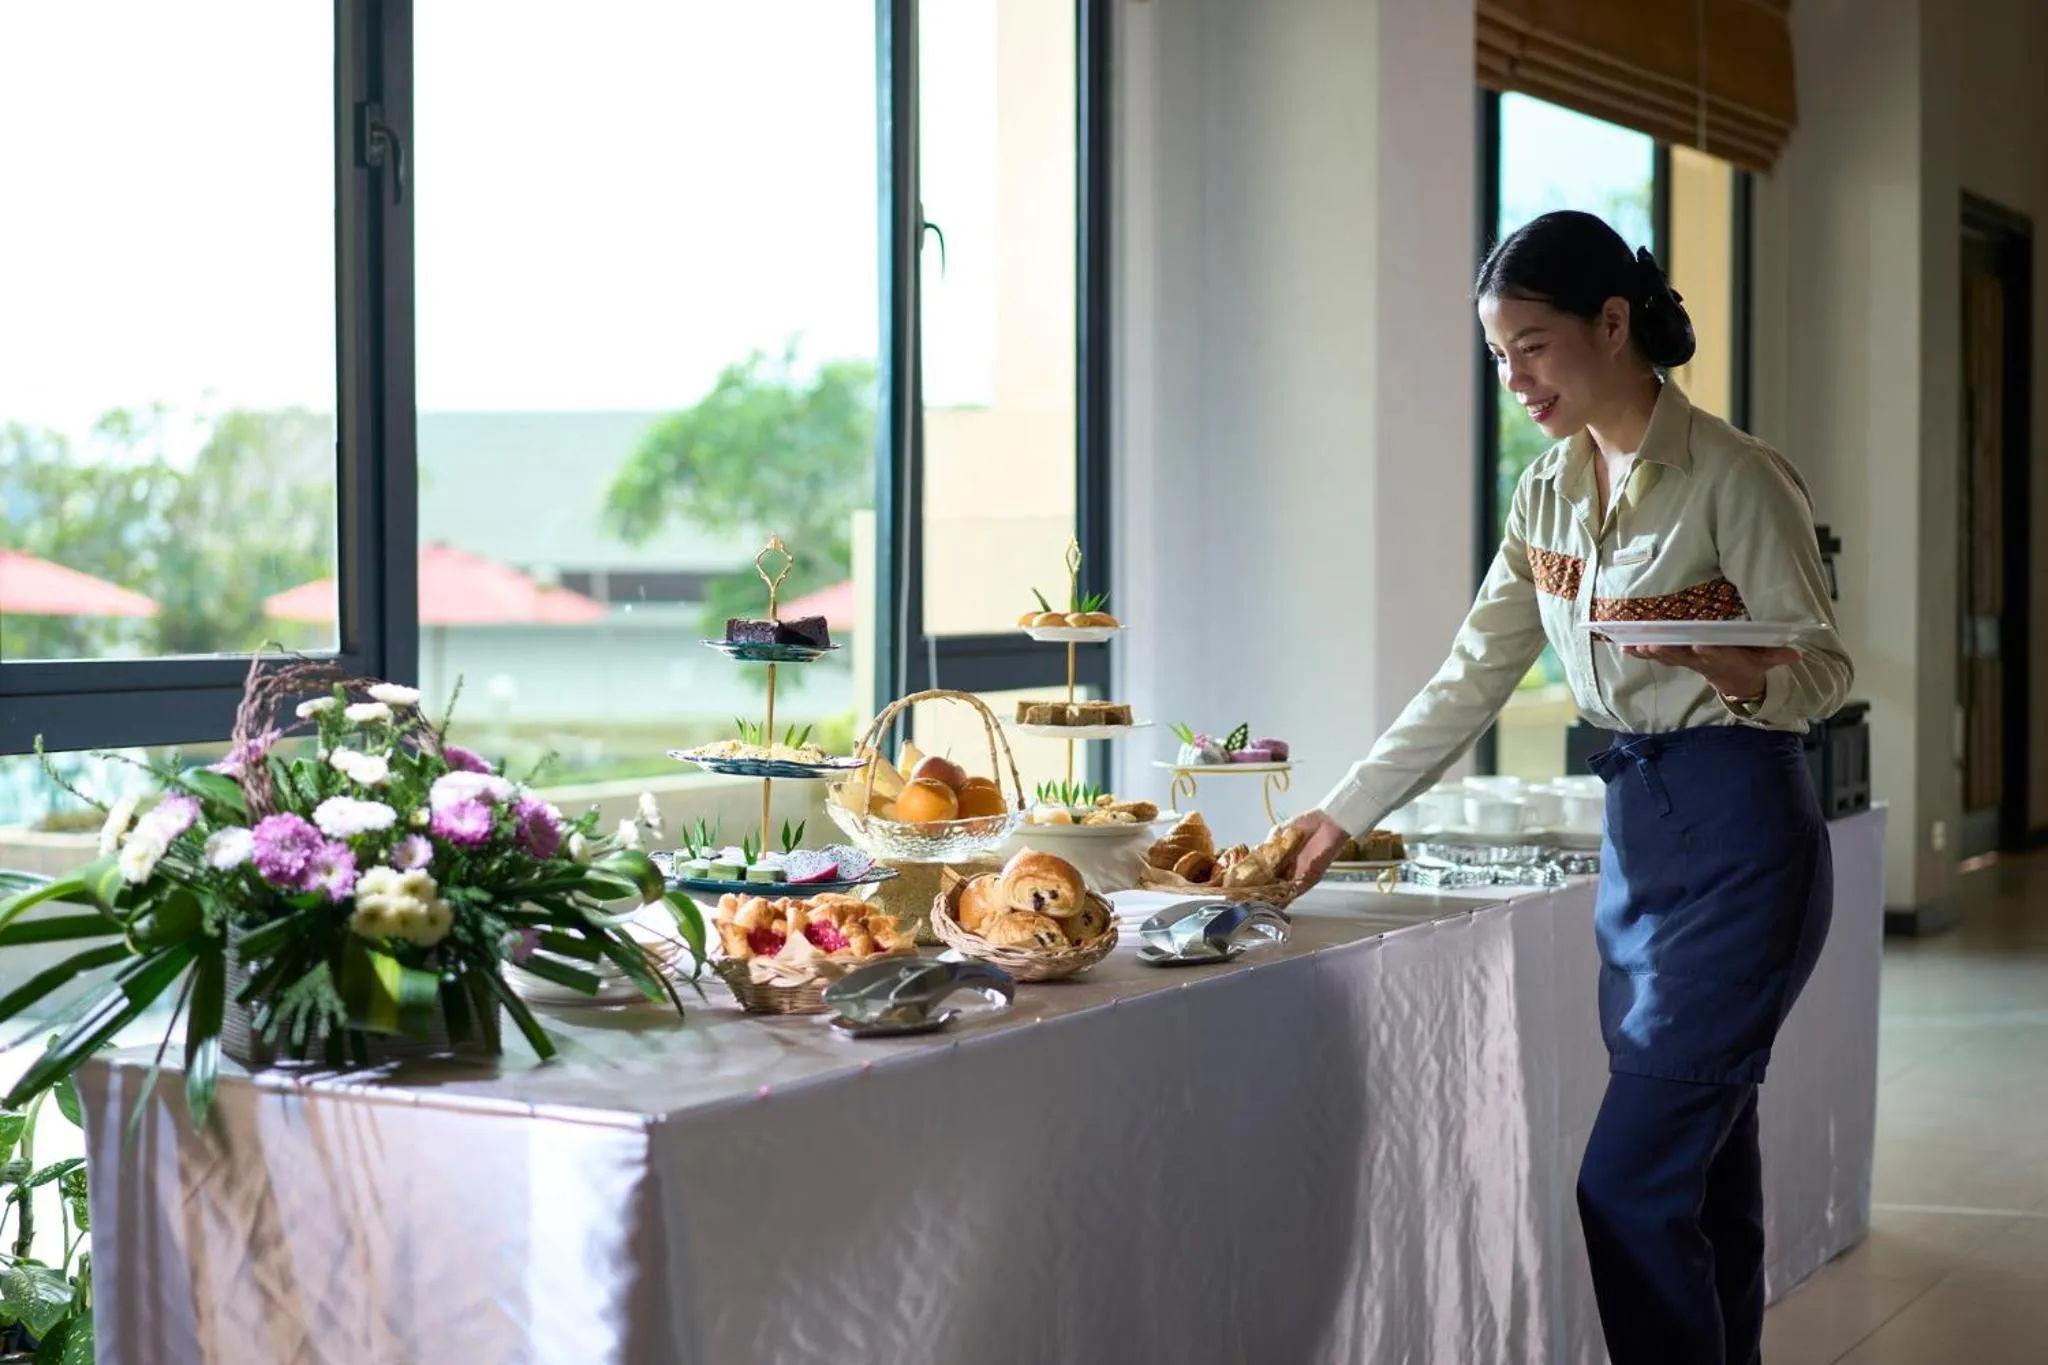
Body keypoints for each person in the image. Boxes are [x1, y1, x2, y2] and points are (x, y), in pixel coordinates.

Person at [1281, 209, 1852, 1365]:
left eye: (1531, 347)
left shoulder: (1733, 475)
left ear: (1610, 321)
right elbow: (1471, 674)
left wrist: (1732, 669)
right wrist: (1341, 814)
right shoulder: (1543, 497)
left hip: (1743, 840)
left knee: (1627, 1188)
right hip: (1639, 852)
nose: (1514, 379)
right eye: (1498, 356)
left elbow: (1823, 670)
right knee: (1703, 1184)